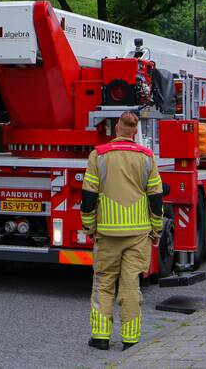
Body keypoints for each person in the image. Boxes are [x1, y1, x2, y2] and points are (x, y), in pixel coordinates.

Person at [80, 111, 164, 351]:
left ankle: (100, 337)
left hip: (107, 233)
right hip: (138, 233)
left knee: (103, 283)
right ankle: (130, 339)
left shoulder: (98, 155)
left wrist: (89, 226)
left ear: (117, 127)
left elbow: (88, 196)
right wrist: (156, 229)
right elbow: (156, 197)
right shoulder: (147, 157)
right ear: (135, 131)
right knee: (130, 286)